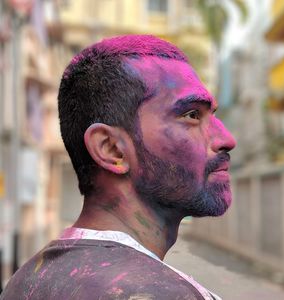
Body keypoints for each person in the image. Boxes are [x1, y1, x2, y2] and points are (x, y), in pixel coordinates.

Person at [1, 35, 236, 300]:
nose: (227, 140)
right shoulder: (158, 294)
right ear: (111, 149)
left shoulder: (24, 281)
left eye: (212, 116)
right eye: (192, 115)